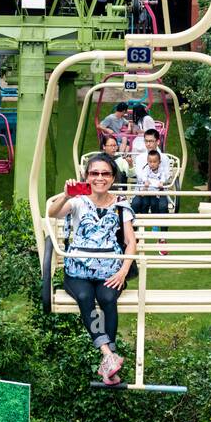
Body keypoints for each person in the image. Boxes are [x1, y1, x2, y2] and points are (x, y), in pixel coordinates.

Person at [48, 156, 136, 385]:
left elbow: (130, 241)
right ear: (87, 176)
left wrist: (123, 271)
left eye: (105, 173)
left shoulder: (121, 206)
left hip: (109, 270)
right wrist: (67, 194)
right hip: (79, 271)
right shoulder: (77, 201)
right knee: (86, 297)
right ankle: (108, 355)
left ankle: (108, 361)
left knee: (107, 298)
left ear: (113, 177)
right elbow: (53, 213)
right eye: (94, 173)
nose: (99, 178)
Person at [132, 148, 170, 219]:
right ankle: (143, 220)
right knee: (145, 203)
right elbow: (144, 175)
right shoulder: (146, 168)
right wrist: (145, 181)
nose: (152, 164)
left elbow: (163, 176)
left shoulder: (161, 170)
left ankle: (154, 223)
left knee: (154, 204)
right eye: (150, 162)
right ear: (147, 162)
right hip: (147, 190)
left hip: (156, 191)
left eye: (154, 162)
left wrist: (161, 182)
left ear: (159, 162)